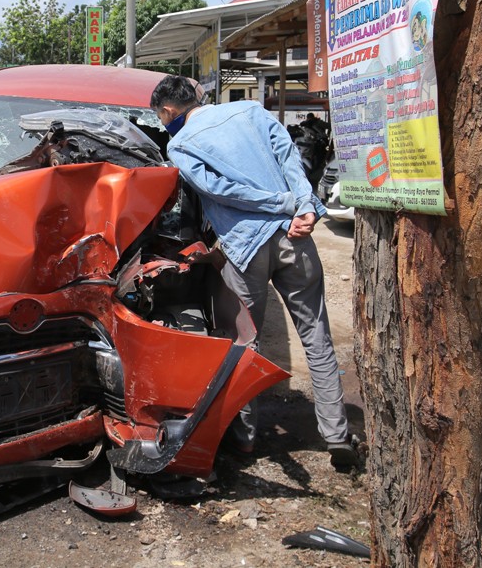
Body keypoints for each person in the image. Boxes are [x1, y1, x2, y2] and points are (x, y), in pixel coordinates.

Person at [150, 75, 358, 468]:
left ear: (167, 112)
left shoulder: (180, 144)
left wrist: (282, 204)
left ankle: (244, 440)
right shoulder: (249, 110)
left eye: (160, 118)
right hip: (294, 237)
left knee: (245, 342)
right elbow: (289, 157)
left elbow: (221, 191)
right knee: (316, 335)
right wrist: (304, 206)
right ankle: (336, 434)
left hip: (245, 247)